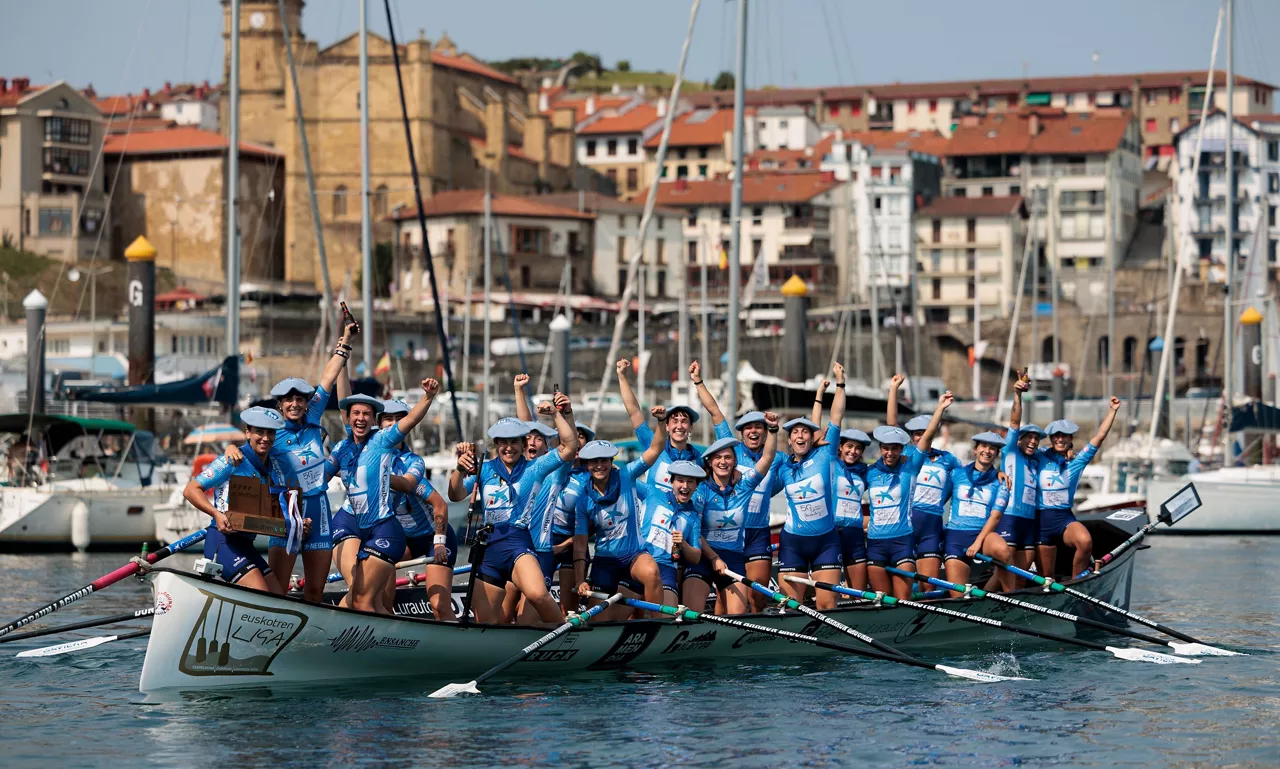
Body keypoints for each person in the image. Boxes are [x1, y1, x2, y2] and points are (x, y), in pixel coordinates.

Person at [226, 323, 356, 602]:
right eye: (289, 400)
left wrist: (345, 340)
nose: (295, 404)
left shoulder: (313, 418)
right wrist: (229, 448)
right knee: (278, 591)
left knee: (315, 591)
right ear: (280, 406)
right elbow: (247, 448)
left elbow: (328, 378)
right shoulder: (271, 433)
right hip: (286, 514)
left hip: (319, 509)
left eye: (300, 399)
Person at [448, 406, 576, 625]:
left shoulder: (535, 467)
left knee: (538, 595)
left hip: (518, 542)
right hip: (489, 548)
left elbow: (569, 446)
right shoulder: (485, 469)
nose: (509, 448)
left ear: (523, 444)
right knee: (484, 625)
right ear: (496, 444)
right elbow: (455, 494)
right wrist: (459, 470)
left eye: (515, 442)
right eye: (503, 442)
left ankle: (567, 638)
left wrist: (556, 415)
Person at [326, 380, 440, 614]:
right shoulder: (343, 446)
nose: (360, 418)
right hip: (349, 521)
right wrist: (343, 357)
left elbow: (409, 483)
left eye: (366, 414)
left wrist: (428, 397)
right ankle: (339, 637)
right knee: (358, 593)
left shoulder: (385, 443)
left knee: (374, 600)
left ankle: (385, 642)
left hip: (383, 527)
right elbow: (316, 482)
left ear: (373, 420)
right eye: (355, 414)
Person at [690, 359, 785, 612]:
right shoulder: (728, 448)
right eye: (748, 428)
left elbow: (801, 456)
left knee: (758, 596)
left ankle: (751, 630)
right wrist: (698, 381)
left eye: (759, 428)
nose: (753, 432)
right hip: (721, 535)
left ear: (765, 432)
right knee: (723, 593)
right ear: (741, 433)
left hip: (756, 531)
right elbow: (715, 412)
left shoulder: (777, 458)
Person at [573, 412, 668, 621]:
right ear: (587, 465)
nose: (599, 465)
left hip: (634, 556)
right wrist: (581, 580)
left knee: (651, 572)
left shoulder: (626, 475)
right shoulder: (583, 498)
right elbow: (580, 545)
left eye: (604, 460)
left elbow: (655, 449)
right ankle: (633, 615)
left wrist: (662, 422)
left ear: (611, 461)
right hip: (605, 562)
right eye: (593, 462)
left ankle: (656, 623)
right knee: (601, 622)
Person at [183, 407, 288, 594]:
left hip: (246, 545)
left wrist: (296, 523)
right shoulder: (232, 459)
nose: (265, 438)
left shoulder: (273, 466)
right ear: (248, 433)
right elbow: (191, 490)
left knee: (279, 595)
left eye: (270, 432)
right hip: (222, 542)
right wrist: (216, 514)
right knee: (263, 595)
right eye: (259, 432)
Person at [769, 364, 847, 610]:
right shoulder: (783, 466)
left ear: (812, 437)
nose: (801, 435)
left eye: (805, 432)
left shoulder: (825, 455)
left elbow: (836, 417)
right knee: (792, 607)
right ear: (789, 440)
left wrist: (840, 383)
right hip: (793, 543)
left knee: (826, 605)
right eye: (795, 433)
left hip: (826, 541)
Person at [866, 390, 954, 600]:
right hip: (876, 544)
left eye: (894, 449)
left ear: (901, 450)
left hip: (904, 540)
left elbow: (928, 437)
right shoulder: (869, 471)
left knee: (906, 599)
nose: (890, 453)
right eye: (885, 448)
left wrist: (940, 408)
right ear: (880, 448)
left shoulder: (911, 466)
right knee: (881, 600)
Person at [506, 391, 580, 625]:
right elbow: (524, 426)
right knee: (500, 616)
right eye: (528, 439)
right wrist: (519, 390)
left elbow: (570, 443)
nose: (531, 442)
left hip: (540, 553)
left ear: (548, 450)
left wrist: (564, 413)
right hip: (511, 550)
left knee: (525, 619)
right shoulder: (516, 470)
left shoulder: (554, 471)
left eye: (539, 440)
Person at [379, 399, 456, 621]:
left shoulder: (409, 463)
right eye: (388, 419)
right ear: (379, 423)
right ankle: (390, 630)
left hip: (435, 540)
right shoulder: (372, 455)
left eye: (399, 419)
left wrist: (439, 541)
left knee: (439, 605)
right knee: (379, 561)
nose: (394, 424)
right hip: (406, 541)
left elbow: (439, 504)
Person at [887, 373, 960, 586]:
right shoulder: (907, 455)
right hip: (905, 523)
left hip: (932, 525)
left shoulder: (948, 459)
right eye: (916, 433)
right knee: (905, 585)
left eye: (924, 432)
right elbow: (892, 425)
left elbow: (969, 476)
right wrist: (893, 390)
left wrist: (999, 473)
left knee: (929, 585)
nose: (920, 436)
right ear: (911, 437)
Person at [1037, 398, 1122, 579]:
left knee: (1085, 542)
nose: (1060, 439)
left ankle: (1077, 581)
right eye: (1056, 436)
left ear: (1070, 439)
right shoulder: (1039, 456)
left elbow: (1099, 437)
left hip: (1064, 517)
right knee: (1046, 577)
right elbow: (1019, 449)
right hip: (1041, 520)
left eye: (1064, 436)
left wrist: (1112, 411)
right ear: (1051, 439)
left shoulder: (1077, 461)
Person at [941, 432, 1014, 597]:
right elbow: (938, 504)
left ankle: (1012, 595)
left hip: (983, 535)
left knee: (1003, 551)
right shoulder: (957, 474)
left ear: (996, 454)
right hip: (956, 537)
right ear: (975, 450)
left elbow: (995, 517)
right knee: (957, 596)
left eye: (993, 448)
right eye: (983, 446)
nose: (987, 451)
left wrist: (977, 543)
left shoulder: (1001, 482)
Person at [617, 359, 700, 499]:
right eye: (674, 421)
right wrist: (622, 376)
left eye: (684, 421)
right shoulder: (653, 444)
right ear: (667, 426)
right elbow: (634, 412)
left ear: (690, 427)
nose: (679, 426)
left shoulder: (698, 458)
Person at [636, 459, 705, 607]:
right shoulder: (652, 493)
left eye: (690, 482)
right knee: (630, 613)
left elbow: (696, 557)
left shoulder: (693, 517)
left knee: (666, 614)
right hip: (639, 560)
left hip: (666, 569)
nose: (685, 486)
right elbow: (624, 478)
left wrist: (684, 545)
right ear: (671, 482)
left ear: (696, 486)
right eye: (680, 480)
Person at [997, 371, 1043, 590]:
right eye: (1029, 438)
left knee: (1022, 576)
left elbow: (1058, 452)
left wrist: (1069, 450)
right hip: (1009, 518)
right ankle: (983, 600)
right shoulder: (1010, 452)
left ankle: (1019, 606)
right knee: (1005, 572)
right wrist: (1017, 395)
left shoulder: (1036, 461)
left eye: (1037, 439)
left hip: (1028, 521)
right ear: (1019, 440)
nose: (1033, 442)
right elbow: (1015, 421)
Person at [831, 428, 871, 592]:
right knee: (831, 591)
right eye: (849, 446)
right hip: (830, 533)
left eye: (858, 448)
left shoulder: (865, 472)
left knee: (857, 592)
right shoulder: (830, 464)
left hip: (854, 534)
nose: (853, 451)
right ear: (840, 446)